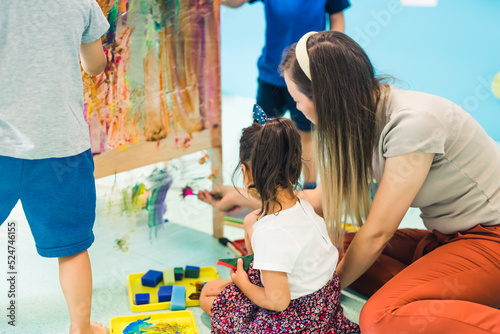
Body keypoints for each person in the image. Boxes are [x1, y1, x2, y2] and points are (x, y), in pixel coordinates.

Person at [201, 31, 500, 333]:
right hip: (447, 237)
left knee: (378, 317)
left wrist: (317, 298)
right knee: (320, 255)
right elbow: (317, 201)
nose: (299, 109)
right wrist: (238, 195)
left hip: (490, 240)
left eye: (297, 100)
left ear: (323, 96)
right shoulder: (356, 123)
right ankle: (446, 296)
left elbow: (377, 233)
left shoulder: (413, 123)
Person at [0, 1, 109, 333]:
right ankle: (81, 327)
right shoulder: (81, 2)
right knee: (72, 248)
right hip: (61, 147)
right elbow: (95, 65)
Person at [199, 114, 359, 333]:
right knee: (211, 288)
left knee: (207, 299)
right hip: (323, 304)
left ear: (246, 173)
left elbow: (278, 302)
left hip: (296, 319)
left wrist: (243, 284)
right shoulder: (303, 205)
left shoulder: (270, 231)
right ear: (295, 166)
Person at [221, 0, 350, 189]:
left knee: (307, 135)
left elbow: (337, 20)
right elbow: (234, 2)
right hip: (271, 73)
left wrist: (327, 57)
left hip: (306, 75)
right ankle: (257, 186)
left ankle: (309, 189)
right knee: (261, 130)